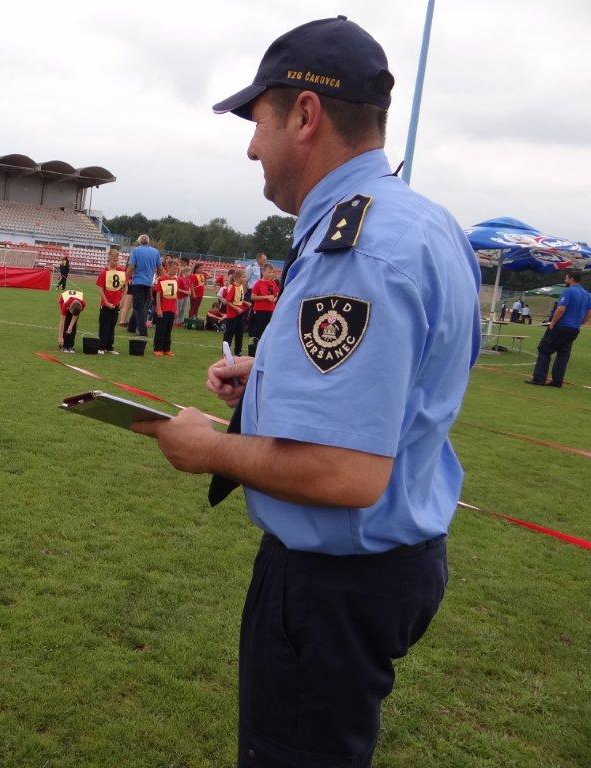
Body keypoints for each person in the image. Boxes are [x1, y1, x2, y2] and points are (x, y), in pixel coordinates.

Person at [132, 16, 481, 768]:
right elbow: (415, 374)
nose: (251, 146)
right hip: (393, 562)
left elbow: (345, 473)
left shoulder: (355, 246)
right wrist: (278, 375)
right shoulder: (426, 223)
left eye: (257, 122)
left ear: (305, 116)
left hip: (334, 583)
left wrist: (208, 448)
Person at [527, 271, 591, 387]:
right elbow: (589, 312)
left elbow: (560, 309)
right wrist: (581, 322)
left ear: (571, 279)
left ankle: (539, 378)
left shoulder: (568, 291)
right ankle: (557, 381)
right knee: (563, 354)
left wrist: (552, 323)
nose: (565, 281)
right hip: (574, 329)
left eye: (566, 279)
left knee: (544, 350)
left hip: (561, 326)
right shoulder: (587, 294)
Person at [126, 234, 163, 336]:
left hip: (137, 282)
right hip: (148, 283)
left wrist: (125, 278)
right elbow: (160, 268)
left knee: (138, 307)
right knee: (140, 306)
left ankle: (143, 331)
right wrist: (164, 280)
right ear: (148, 241)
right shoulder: (155, 252)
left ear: (139, 242)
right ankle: (131, 327)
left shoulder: (136, 251)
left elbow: (131, 267)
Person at [95, 249, 126, 354]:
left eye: (117, 260)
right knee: (104, 325)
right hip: (106, 304)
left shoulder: (121, 271)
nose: (116, 263)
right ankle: (101, 347)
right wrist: (106, 302)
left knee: (112, 325)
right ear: (109, 260)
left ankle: (109, 347)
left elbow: (126, 286)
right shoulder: (104, 272)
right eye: (114, 260)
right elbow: (100, 288)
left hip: (117, 303)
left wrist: (122, 299)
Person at [246, 263, 279, 355]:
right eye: (268, 272)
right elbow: (253, 297)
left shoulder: (273, 283)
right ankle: (254, 351)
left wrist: (274, 299)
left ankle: (264, 350)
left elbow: (277, 295)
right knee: (258, 331)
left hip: (270, 310)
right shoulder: (258, 283)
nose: (270, 274)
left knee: (268, 331)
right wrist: (266, 297)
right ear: (263, 272)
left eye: (272, 272)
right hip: (260, 310)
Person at [152, 262, 181, 356]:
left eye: (177, 269)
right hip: (164, 307)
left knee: (168, 329)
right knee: (160, 329)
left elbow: (175, 295)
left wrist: (176, 308)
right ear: (169, 267)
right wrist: (159, 308)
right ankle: (157, 348)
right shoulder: (162, 279)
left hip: (172, 308)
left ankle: (166, 349)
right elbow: (158, 294)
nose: (176, 270)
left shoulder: (175, 280)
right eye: (174, 268)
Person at [220, 269, 248, 355]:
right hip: (233, 314)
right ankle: (225, 350)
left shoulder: (241, 286)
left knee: (239, 332)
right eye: (243, 277)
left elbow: (239, 299)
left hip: (240, 313)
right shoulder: (233, 287)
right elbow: (227, 301)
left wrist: (245, 302)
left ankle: (238, 351)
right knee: (229, 332)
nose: (245, 278)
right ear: (237, 277)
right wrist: (237, 308)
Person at [57, 288, 86, 353]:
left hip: (75, 304)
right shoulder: (65, 304)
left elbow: (75, 315)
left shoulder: (83, 304)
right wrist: (60, 337)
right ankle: (63, 346)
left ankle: (70, 346)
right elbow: (62, 321)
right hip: (64, 299)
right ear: (69, 307)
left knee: (73, 326)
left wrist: (71, 325)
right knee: (66, 322)